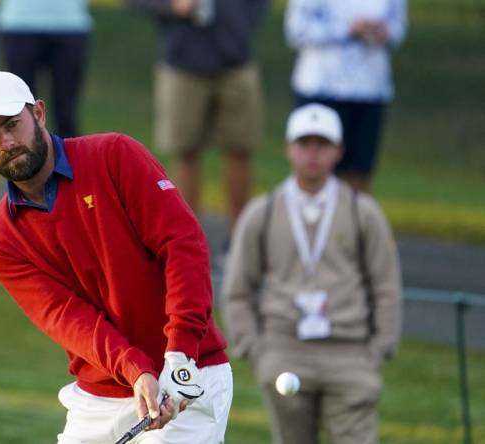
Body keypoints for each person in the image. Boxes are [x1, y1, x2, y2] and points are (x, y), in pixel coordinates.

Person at [0, 71, 232, 443]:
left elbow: (183, 245)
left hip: (190, 373)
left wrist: (179, 353)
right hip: (100, 393)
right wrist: (136, 370)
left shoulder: (114, 155)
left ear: (38, 113)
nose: (6, 142)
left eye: (11, 125)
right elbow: (69, 319)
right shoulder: (1, 239)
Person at [222, 103, 402, 444]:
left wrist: (379, 349)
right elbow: (238, 289)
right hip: (285, 348)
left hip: (349, 351)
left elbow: (386, 286)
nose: (312, 153)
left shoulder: (362, 212)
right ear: (289, 148)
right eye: (305, 143)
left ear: (338, 151)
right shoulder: (263, 212)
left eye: (322, 144)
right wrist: (256, 350)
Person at [125, 0, 270, 235]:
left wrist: (240, 24)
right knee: (185, 152)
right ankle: (188, 241)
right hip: (182, 63)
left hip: (235, 60)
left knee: (240, 150)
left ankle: (240, 242)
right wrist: (172, 7)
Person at [285, 0, 408, 192]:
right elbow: (297, 29)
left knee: (359, 172)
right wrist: (348, 29)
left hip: (370, 88)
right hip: (320, 87)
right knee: (313, 168)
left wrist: (385, 32)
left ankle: (355, 220)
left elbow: (398, 28)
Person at [0, 0, 92, 138]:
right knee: (21, 108)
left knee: (66, 112)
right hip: (18, 22)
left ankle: (69, 158)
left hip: (70, 22)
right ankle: (23, 157)